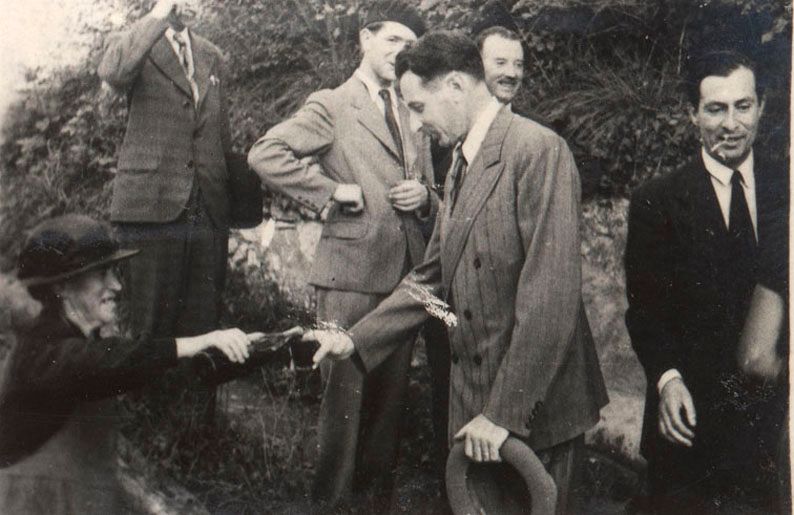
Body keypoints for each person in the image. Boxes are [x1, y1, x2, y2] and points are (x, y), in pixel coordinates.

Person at [306, 31, 608, 514]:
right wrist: (356, 341)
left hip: (532, 415)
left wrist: (504, 413)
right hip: (478, 409)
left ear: (454, 87)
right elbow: (431, 282)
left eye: (419, 107)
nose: (417, 124)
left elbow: (549, 297)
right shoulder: (460, 164)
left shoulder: (537, 150)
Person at [247, 2, 436, 508]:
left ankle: (373, 505)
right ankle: (329, 506)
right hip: (348, 280)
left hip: (405, 282)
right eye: (392, 40)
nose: (401, 52)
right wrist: (330, 191)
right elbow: (265, 152)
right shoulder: (332, 103)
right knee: (344, 409)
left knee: (388, 412)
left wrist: (426, 199)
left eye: (409, 45)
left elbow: (437, 191)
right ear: (365, 40)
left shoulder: (416, 108)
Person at [0, 215, 257, 514]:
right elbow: (109, 361)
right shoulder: (42, 348)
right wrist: (192, 343)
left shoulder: (78, 340)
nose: (117, 285)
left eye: (115, 273)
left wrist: (263, 346)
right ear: (63, 287)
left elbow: (131, 367)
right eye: (102, 274)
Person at [624, 50, 788, 512]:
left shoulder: (785, 189)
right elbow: (646, 311)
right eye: (715, 109)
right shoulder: (657, 201)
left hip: (773, 424)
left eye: (743, 106)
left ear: (761, 108)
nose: (731, 123)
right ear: (692, 114)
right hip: (692, 422)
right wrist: (667, 380)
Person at [98, 0, 236, 366]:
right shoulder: (137, 42)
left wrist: (231, 208)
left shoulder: (211, 54)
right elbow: (113, 73)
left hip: (207, 210)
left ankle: (195, 419)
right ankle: (151, 417)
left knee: (205, 324)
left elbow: (222, 135)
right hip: (152, 206)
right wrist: (159, 13)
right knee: (151, 325)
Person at [477, 25, 524, 106]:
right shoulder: (453, 116)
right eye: (501, 63)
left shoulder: (530, 119)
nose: (512, 73)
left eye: (518, 65)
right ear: (478, 64)